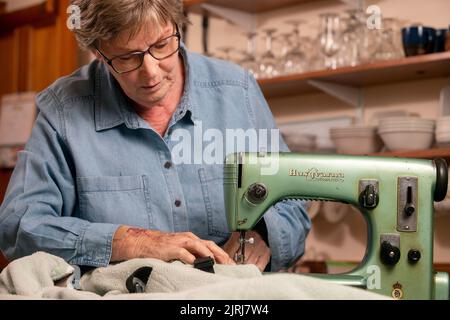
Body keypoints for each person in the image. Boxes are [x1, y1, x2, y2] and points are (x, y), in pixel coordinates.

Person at [0, 0, 311, 273]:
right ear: (98, 52)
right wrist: (132, 242)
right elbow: (17, 227)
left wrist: (263, 235)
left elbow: (295, 202)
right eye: (126, 57)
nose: (150, 72)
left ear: (176, 25)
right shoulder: (63, 110)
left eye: (161, 45)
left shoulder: (237, 90)